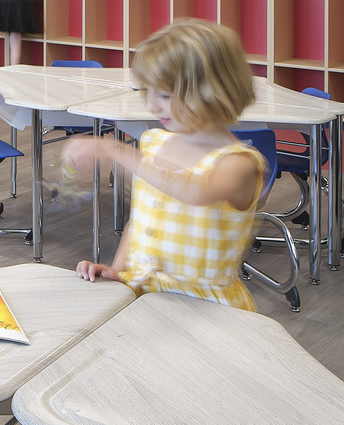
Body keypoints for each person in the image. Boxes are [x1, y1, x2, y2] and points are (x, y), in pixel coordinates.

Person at [65, 18, 263, 310]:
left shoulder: (238, 163)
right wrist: (119, 271)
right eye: (148, 92)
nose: (152, 106)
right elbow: (142, 219)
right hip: (145, 296)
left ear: (211, 90)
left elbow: (195, 192)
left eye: (165, 95)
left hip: (206, 309)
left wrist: (112, 149)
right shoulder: (155, 142)